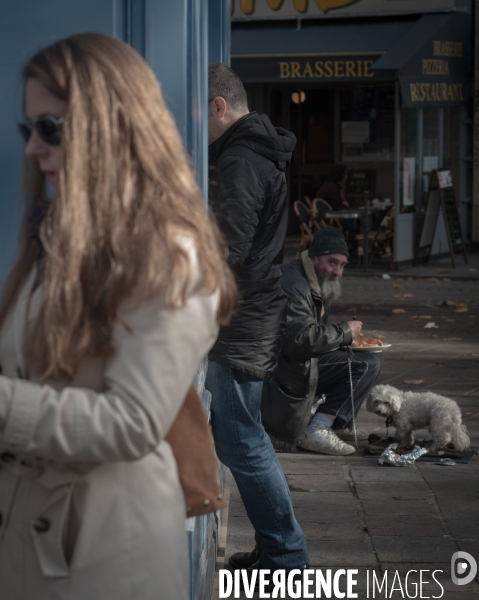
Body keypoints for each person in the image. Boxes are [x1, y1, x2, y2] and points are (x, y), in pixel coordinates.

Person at [0, 33, 235, 600]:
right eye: (27, 128)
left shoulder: (168, 252)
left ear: (112, 126)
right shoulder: (56, 237)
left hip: (98, 559)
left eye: (50, 128)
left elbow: (132, 422)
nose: (33, 148)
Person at [205, 63, 309, 576]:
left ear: (218, 106)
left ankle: (287, 556)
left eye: (197, 114)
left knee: (242, 441)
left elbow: (229, 246)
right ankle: (277, 549)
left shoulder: (242, 158)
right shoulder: (254, 151)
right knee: (243, 438)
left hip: (243, 315)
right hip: (254, 310)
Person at [262, 227, 383, 455]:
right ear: (315, 257)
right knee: (366, 364)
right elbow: (300, 340)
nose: (337, 271)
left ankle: (338, 421)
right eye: (332, 262)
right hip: (284, 373)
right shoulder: (296, 285)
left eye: (342, 265)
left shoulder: (311, 277)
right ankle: (317, 429)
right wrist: (344, 331)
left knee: (368, 358)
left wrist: (342, 337)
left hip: (295, 364)